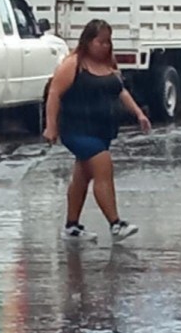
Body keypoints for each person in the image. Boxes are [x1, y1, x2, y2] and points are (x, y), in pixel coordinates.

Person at [43, 20, 151, 242]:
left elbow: (120, 91)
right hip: (76, 129)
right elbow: (54, 93)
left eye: (108, 42)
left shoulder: (108, 63)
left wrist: (138, 114)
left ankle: (72, 227)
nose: (104, 46)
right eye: (100, 42)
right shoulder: (73, 64)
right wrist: (51, 126)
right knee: (103, 167)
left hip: (102, 130)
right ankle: (115, 223)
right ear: (88, 41)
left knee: (82, 176)